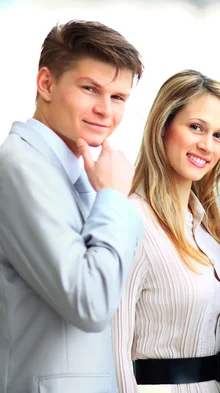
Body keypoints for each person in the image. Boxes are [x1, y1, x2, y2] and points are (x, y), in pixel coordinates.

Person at [0, 20, 144, 393]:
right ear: (46, 83)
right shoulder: (21, 166)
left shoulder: (71, 171)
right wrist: (113, 198)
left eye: (118, 98)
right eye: (89, 89)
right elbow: (90, 302)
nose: (104, 110)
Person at [112, 69, 220, 393]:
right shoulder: (131, 220)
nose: (207, 145)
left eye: (219, 136)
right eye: (196, 127)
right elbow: (112, 350)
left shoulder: (211, 233)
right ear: (163, 127)